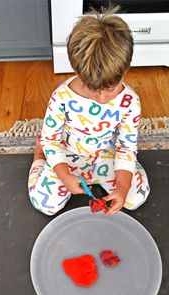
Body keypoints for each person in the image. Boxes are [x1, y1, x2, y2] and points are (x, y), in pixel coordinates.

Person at [28, 6, 150, 217]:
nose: (102, 98)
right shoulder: (61, 97)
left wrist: (121, 188)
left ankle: (118, 180)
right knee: (44, 203)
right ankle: (38, 156)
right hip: (68, 154)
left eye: (110, 89)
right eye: (92, 89)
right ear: (77, 71)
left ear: (125, 70)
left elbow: (126, 146)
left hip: (106, 154)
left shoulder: (130, 101)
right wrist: (63, 175)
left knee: (137, 195)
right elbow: (52, 141)